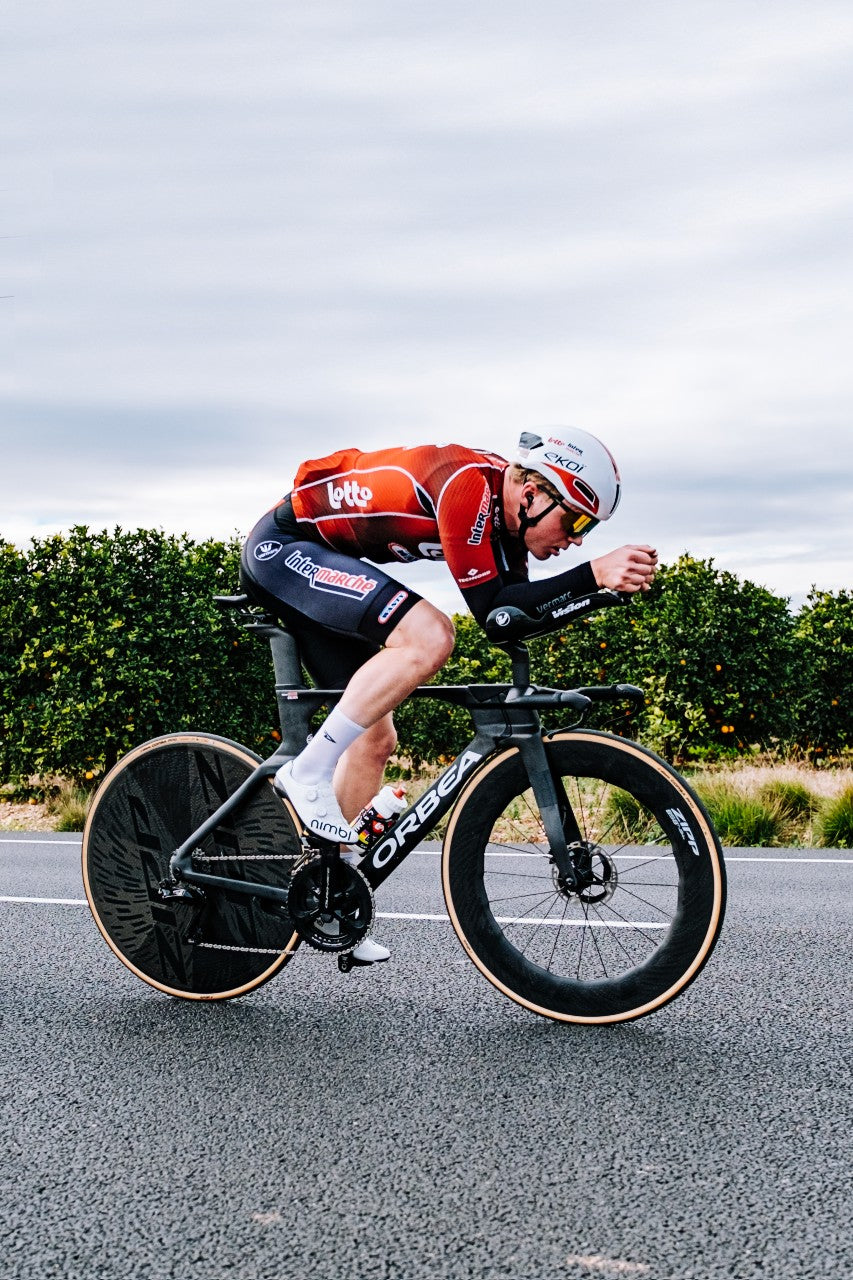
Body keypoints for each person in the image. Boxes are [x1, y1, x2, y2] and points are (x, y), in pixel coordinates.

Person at [241, 427, 658, 963]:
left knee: (373, 742)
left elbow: (511, 618)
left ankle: (330, 894)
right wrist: (592, 575)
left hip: (324, 561)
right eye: (574, 519)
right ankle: (307, 772)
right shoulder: (466, 487)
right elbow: (491, 612)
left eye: (587, 531)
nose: (576, 539)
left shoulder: (507, 521)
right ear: (532, 493)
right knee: (431, 635)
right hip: (286, 549)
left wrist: (597, 593)